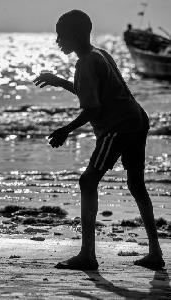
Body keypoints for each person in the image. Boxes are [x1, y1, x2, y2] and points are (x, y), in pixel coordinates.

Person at [33, 10, 164, 270]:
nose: (58, 41)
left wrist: (65, 130)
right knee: (137, 184)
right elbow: (91, 93)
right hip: (137, 120)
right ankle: (155, 252)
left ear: (77, 34)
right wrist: (59, 81)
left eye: (62, 35)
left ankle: (87, 255)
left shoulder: (85, 63)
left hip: (118, 127)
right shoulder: (98, 54)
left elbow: (93, 109)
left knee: (87, 181)